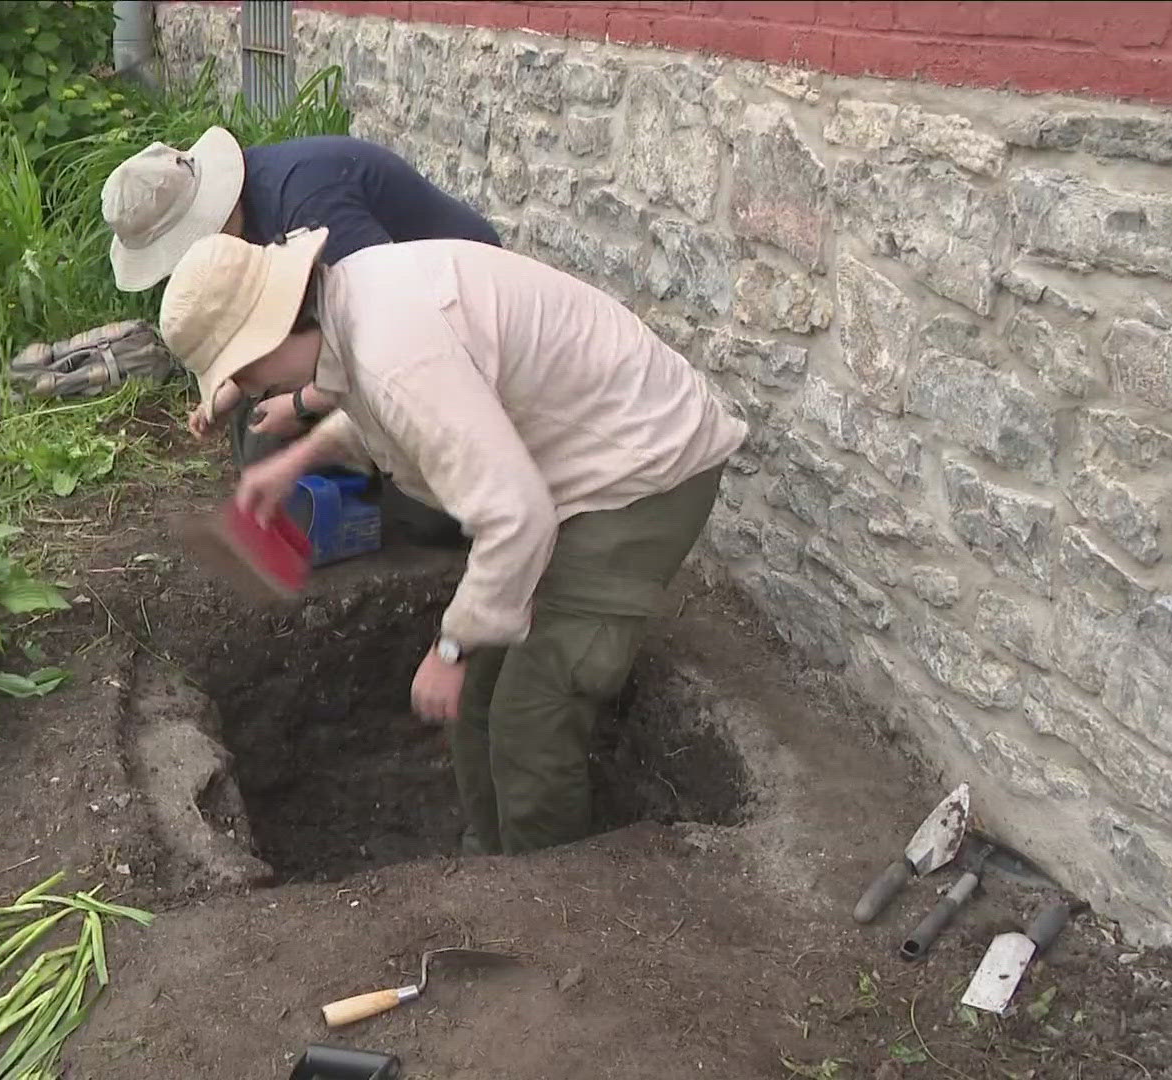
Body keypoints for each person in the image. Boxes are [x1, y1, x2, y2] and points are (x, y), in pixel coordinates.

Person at [157, 227, 747, 856]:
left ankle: (547, 897)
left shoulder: (396, 350)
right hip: (564, 473)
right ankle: (493, 859)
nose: (251, 391)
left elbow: (515, 515)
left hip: (642, 475)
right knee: (477, 709)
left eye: (246, 375)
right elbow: (401, 410)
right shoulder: (352, 297)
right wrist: (300, 457)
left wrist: (449, 648)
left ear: (271, 337)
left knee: (531, 719)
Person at [102, 127, 499, 514]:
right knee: (259, 440)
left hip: (456, 322)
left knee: (424, 520)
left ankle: (400, 497)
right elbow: (267, 326)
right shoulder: (245, 213)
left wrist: (301, 403)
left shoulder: (309, 201)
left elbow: (392, 330)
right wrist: (229, 389)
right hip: (366, 325)